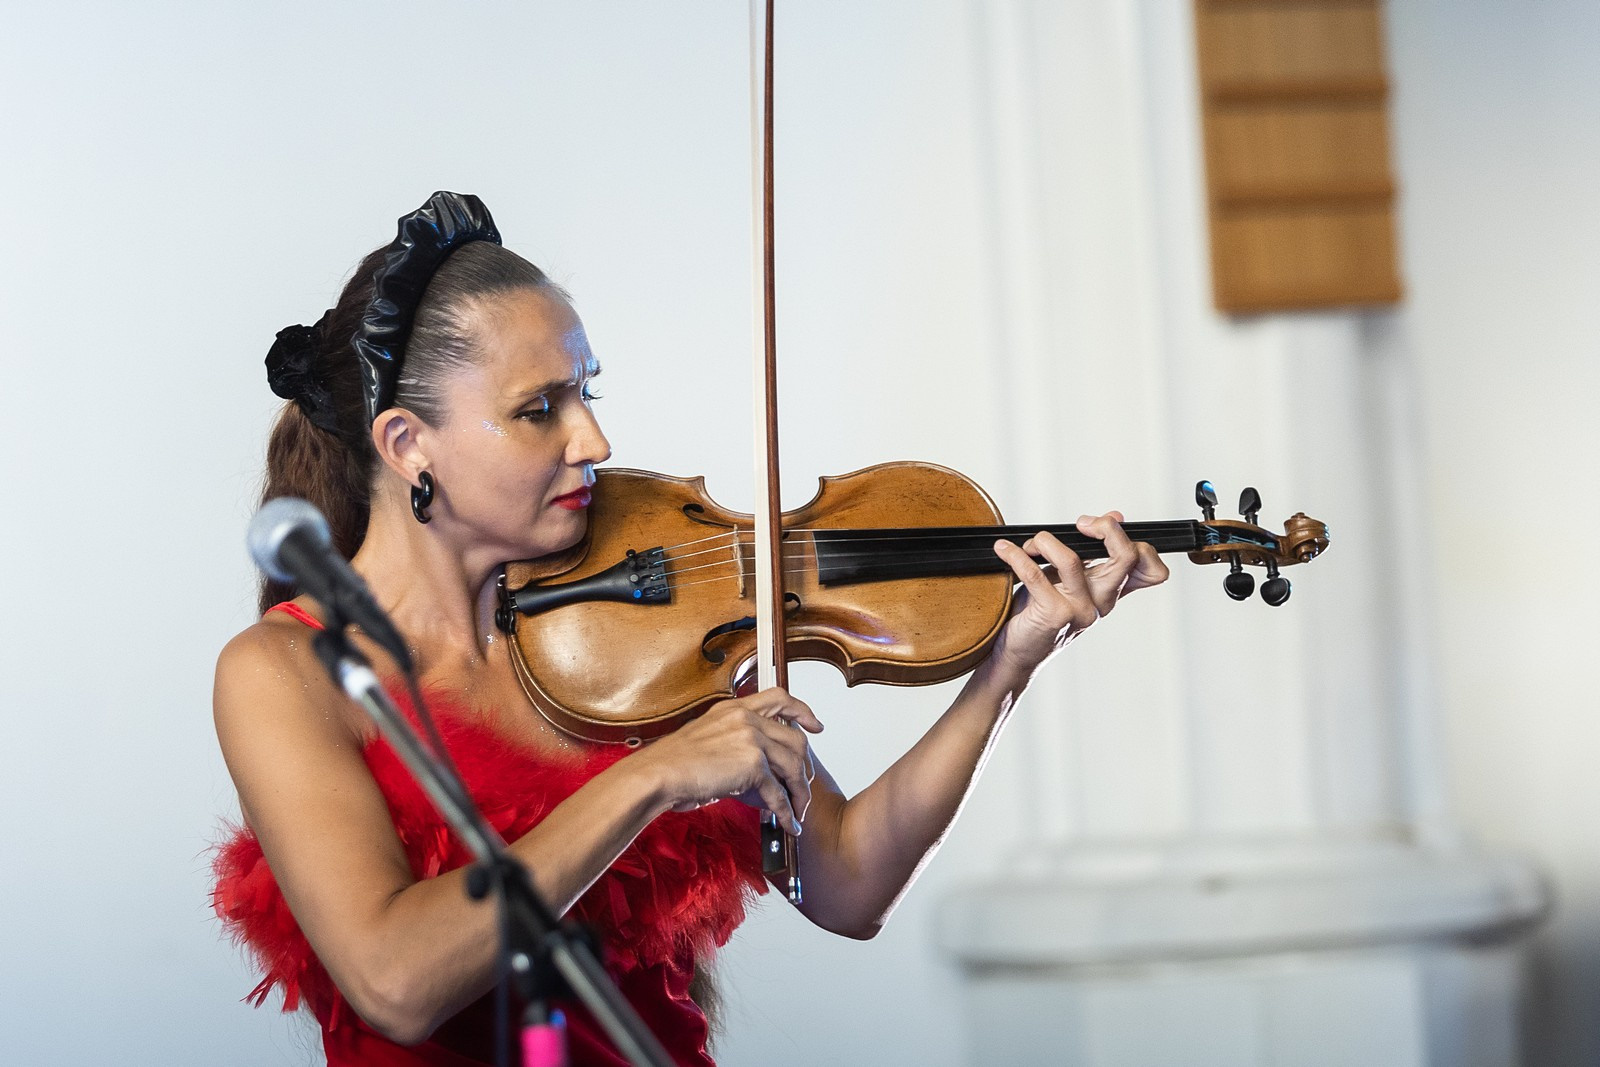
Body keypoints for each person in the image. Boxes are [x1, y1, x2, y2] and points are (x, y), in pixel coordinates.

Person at [211, 191, 1169, 1066]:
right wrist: (657, 771)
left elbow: (844, 881)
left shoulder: (637, 616)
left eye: (587, 392)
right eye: (539, 410)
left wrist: (1005, 666)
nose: (593, 440)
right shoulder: (288, 673)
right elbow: (395, 980)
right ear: (407, 443)